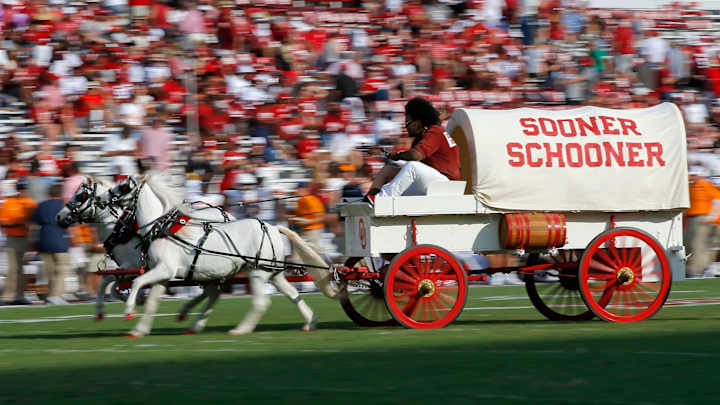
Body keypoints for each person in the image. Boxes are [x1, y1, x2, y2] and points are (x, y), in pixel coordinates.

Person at [364, 97, 461, 201]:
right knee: (388, 170)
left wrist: (396, 155)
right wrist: (386, 153)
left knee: (412, 166)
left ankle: (381, 199)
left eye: (407, 123)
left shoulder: (435, 132)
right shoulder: (425, 135)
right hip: (435, 184)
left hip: (447, 186)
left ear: (418, 122)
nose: (406, 127)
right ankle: (371, 197)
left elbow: (415, 156)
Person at [31, 183, 70, 305]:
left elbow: (33, 225)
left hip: (44, 240)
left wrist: (33, 243)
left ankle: (52, 297)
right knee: (62, 270)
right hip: (60, 240)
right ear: (60, 194)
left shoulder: (41, 206)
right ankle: (56, 296)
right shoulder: (64, 207)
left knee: (51, 272)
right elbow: (70, 225)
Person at [0, 178, 37, 305]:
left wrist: (32, 242)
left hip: (26, 238)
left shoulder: (31, 203)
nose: (23, 191)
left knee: (21, 269)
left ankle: (19, 296)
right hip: (12, 238)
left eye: (24, 189)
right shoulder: (9, 202)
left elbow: (35, 223)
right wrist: (18, 223)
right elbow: (2, 222)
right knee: (13, 268)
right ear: (17, 189)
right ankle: (7, 297)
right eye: (21, 189)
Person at [685, 166, 720, 278]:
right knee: (701, 246)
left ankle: (696, 271)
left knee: (698, 246)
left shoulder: (704, 184)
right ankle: (702, 269)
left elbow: (716, 201)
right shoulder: (699, 184)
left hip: (702, 218)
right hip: (703, 219)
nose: (693, 177)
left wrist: (711, 217)